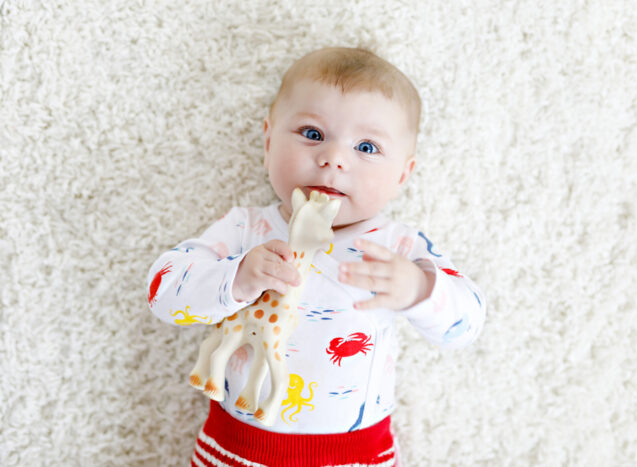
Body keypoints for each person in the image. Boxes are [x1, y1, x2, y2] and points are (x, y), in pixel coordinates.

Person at [146, 46, 486, 467]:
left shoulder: (398, 247)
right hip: (237, 446)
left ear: (402, 174)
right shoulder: (246, 229)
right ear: (268, 141)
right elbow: (162, 292)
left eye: (366, 146)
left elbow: (467, 324)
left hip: (357, 452)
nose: (333, 159)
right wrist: (237, 278)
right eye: (312, 134)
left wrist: (420, 288)